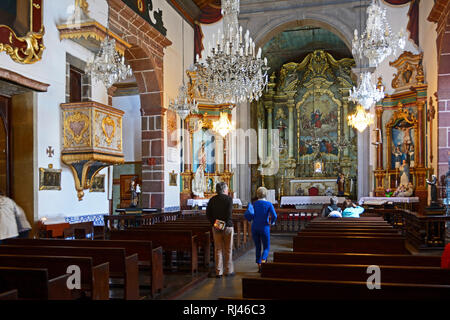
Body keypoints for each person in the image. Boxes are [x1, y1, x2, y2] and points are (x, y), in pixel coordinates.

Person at [244, 187, 277, 272]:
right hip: (264, 227)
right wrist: (272, 222)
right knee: (266, 246)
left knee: (258, 246)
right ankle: (263, 260)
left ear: (257, 194)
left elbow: (249, 214)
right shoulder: (269, 204)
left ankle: (258, 264)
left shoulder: (254, 204)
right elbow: (274, 216)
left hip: (254, 227)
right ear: (266, 194)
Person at [206, 182, 234, 278]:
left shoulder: (212, 199)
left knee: (218, 249)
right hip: (228, 227)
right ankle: (228, 271)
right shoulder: (229, 199)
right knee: (228, 249)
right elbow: (229, 214)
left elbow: (208, 214)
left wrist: (217, 224)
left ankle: (219, 272)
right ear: (224, 190)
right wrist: (224, 225)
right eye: (227, 189)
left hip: (216, 226)